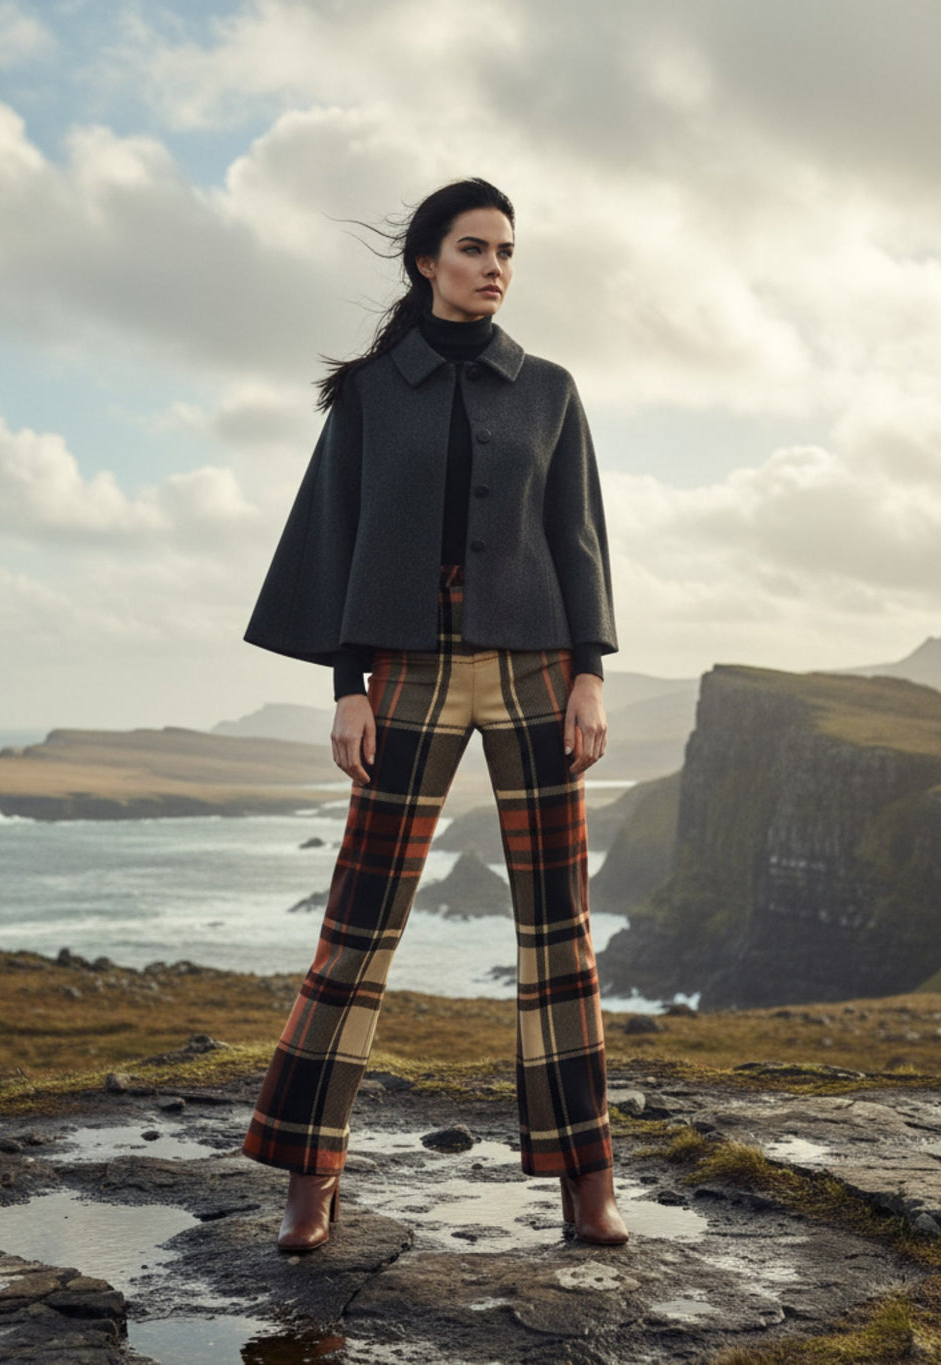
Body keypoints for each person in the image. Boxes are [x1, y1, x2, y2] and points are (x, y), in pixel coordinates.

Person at [241, 177, 628, 1252]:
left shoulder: (548, 389)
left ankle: (585, 1180)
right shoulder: (368, 395)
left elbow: (577, 532)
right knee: (356, 930)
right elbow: (335, 532)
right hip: (405, 670)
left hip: (535, 668)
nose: (495, 265)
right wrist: (345, 686)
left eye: (507, 249)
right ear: (426, 261)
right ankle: (309, 1177)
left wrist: (589, 673)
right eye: (473, 247)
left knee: (558, 932)